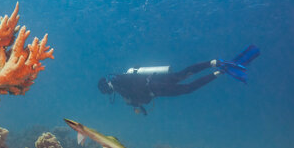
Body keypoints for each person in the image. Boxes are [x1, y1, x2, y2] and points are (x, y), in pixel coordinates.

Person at [97, 45, 260, 115]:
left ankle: (220, 72)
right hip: (154, 77)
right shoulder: (121, 76)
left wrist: (134, 105)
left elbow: (141, 99)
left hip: (155, 88)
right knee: (183, 74)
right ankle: (213, 63)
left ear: (107, 89)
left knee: (187, 88)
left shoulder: (118, 87)